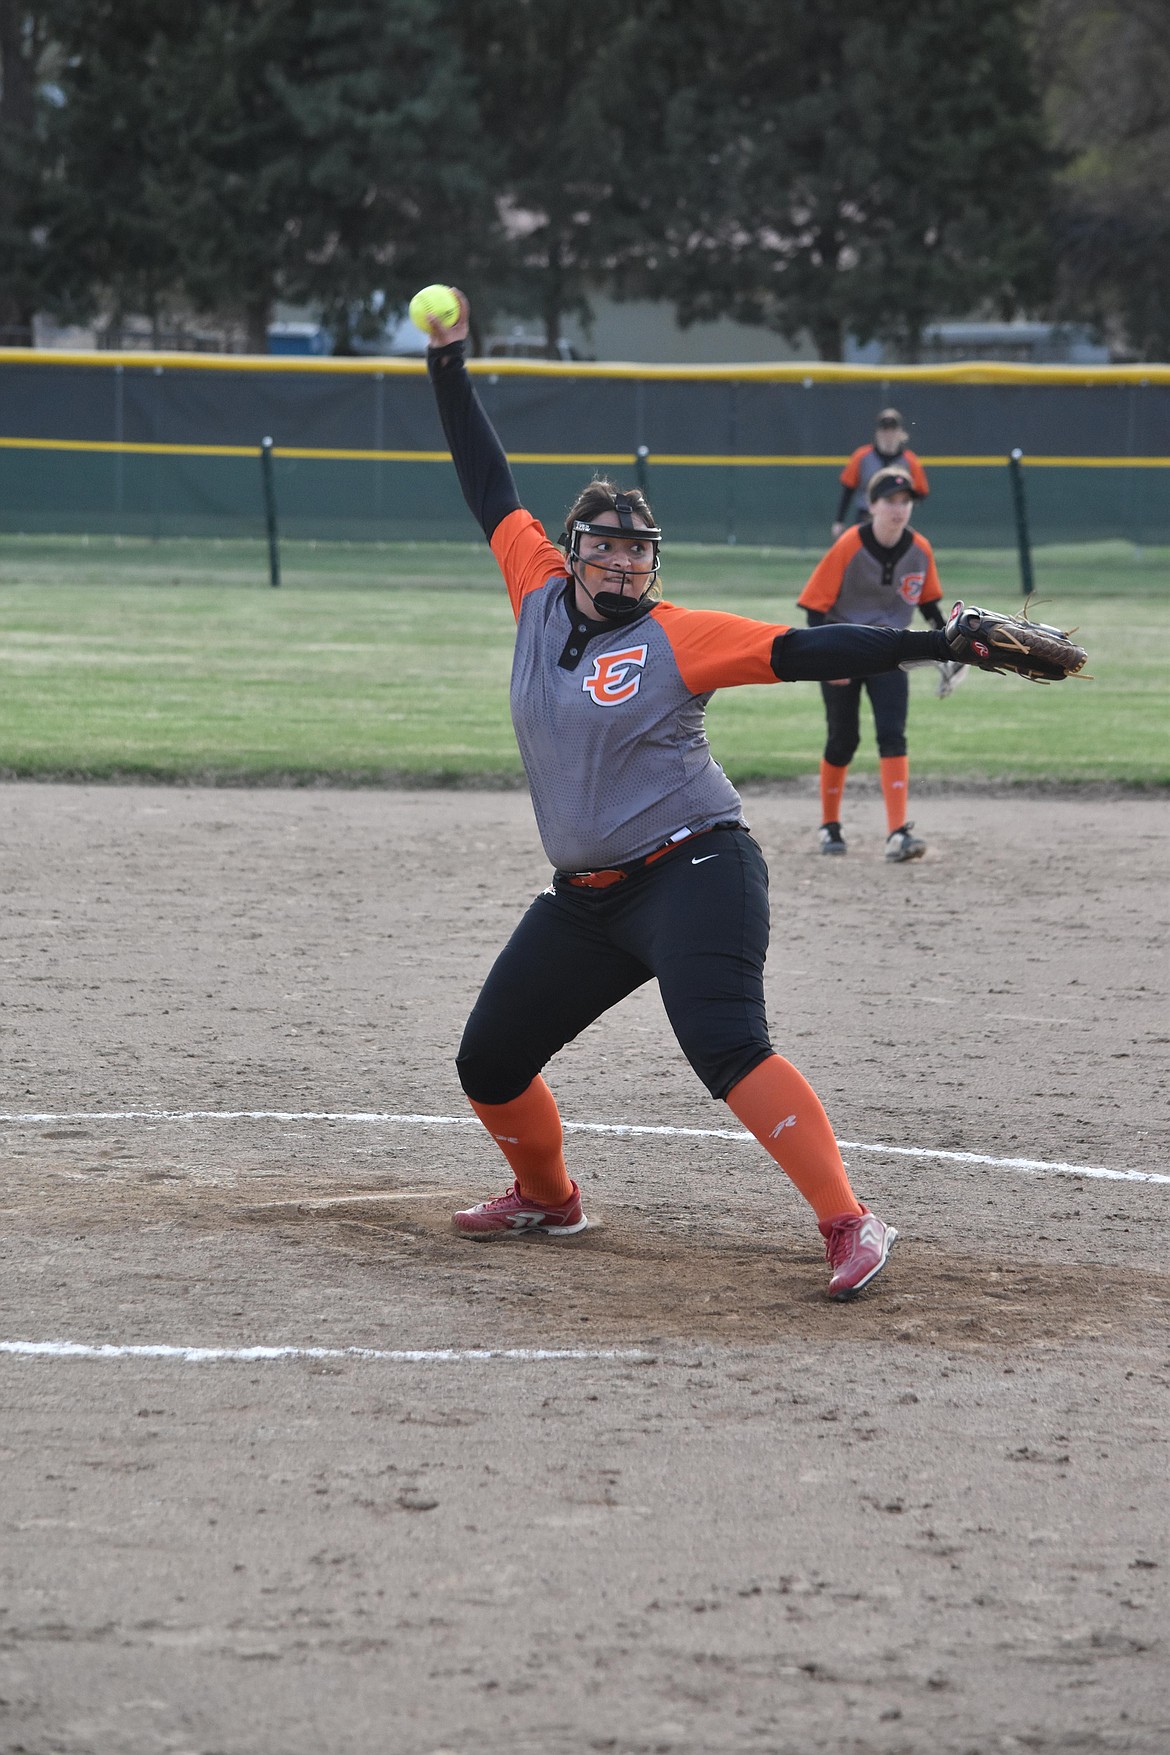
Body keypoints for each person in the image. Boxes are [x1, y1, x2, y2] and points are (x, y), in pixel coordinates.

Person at [421, 289, 958, 1301]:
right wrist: (449, 361)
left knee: (723, 1040)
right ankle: (549, 1198)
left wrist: (933, 638)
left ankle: (849, 1221)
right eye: (607, 548)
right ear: (574, 553)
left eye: (638, 550)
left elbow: (804, 647)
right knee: (489, 1059)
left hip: (695, 867)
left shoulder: (672, 636)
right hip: (586, 898)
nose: (623, 562)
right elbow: (483, 476)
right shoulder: (534, 588)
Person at [800, 465, 953, 862]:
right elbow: (814, 609)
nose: (898, 510)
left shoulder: (919, 549)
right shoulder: (850, 544)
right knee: (843, 738)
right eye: (890, 501)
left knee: (892, 735)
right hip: (843, 648)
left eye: (905, 502)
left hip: (891, 653)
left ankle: (898, 833)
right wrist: (826, 661)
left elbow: (929, 605)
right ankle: (830, 825)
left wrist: (951, 645)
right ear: (872, 505)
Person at [832, 408, 929, 539]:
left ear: (900, 433)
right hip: (865, 516)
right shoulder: (862, 456)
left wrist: (901, 504)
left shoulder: (910, 460)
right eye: (885, 429)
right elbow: (848, 490)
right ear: (877, 432)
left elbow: (921, 492)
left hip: (895, 518)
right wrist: (839, 520)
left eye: (892, 430)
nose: (888, 434)